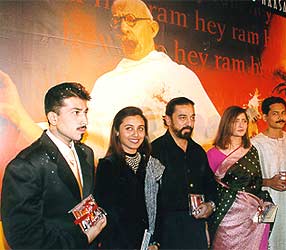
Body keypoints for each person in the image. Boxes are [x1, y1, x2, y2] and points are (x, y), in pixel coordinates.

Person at [85, 0, 220, 158]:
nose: (123, 28)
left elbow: (211, 135)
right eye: (116, 21)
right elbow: (96, 147)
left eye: (131, 19)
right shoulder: (105, 84)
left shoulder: (180, 75)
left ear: (153, 28)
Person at [1, 82, 106, 249]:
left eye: (85, 112)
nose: (84, 120)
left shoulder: (86, 153)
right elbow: (25, 238)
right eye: (76, 113)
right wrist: (82, 239)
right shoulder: (25, 166)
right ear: (53, 118)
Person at [94, 106, 164, 249]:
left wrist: (155, 242)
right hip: (119, 244)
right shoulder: (108, 166)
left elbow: (160, 208)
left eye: (140, 128)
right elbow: (109, 213)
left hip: (148, 242)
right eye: (129, 128)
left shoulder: (152, 165)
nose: (136, 134)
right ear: (117, 131)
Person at [151, 97, 217, 249]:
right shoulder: (155, 150)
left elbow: (210, 185)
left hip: (196, 227)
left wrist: (210, 206)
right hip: (166, 232)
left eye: (192, 117)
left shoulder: (198, 151)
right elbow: (148, 197)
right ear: (167, 120)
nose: (189, 123)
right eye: (182, 117)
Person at [206, 106, 273, 250]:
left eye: (244, 121)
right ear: (227, 123)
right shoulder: (212, 154)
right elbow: (209, 188)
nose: (241, 125)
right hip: (226, 216)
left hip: (253, 216)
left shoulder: (252, 150)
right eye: (236, 121)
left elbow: (257, 182)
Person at [251, 96, 286, 250]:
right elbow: (249, 179)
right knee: (268, 240)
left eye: (283, 113)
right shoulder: (255, 143)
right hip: (266, 203)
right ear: (265, 117)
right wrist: (268, 182)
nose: (281, 117)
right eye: (275, 114)